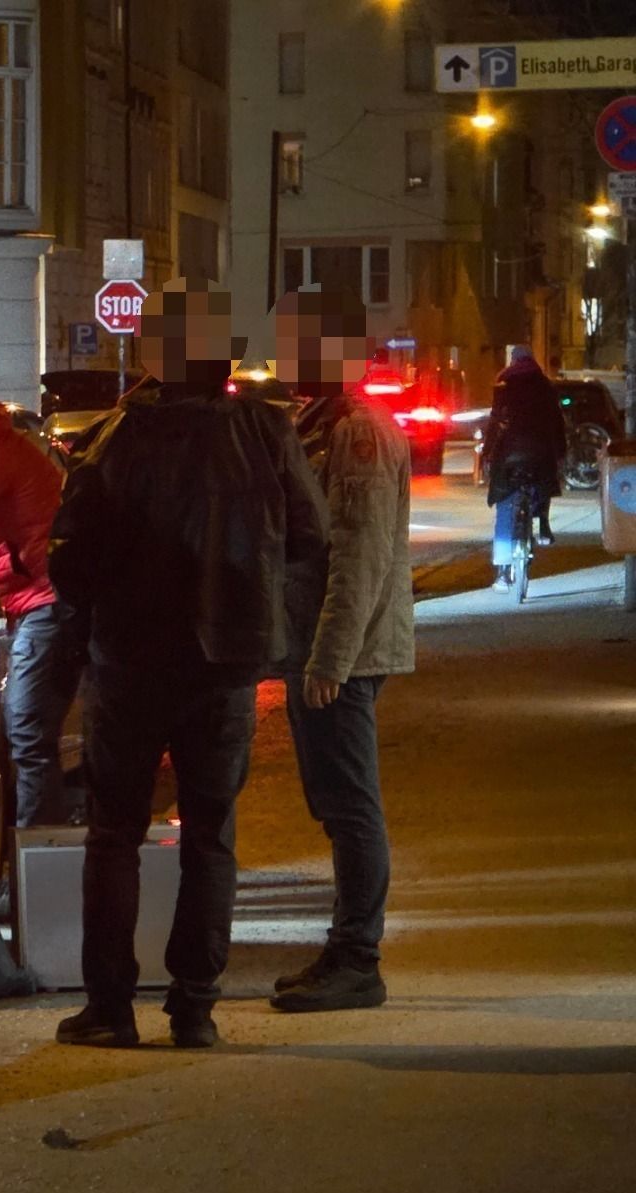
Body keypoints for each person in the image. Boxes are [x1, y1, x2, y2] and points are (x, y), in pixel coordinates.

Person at [48, 279, 328, 1049]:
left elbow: (69, 557)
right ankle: (195, 1007)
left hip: (130, 658)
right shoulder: (265, 432)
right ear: (225, 354)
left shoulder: (115, 437)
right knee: (210, 834)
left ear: (152, 353)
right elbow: (310, 533)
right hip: (225, 659)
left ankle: (111, 1008)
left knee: (116, 833)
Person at [269, 289, 415, 1013]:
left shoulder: (358, 433)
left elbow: (358, 556)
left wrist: (329, 659)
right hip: (319, 646)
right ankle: (345, 948)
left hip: (340, 655)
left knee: (352, 807)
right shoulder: (321, 422)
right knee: (336, 804)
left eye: (294, 341)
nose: (282, 354)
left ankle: (359, 959)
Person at [0, 398, 72, 828]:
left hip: (47, 600)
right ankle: (37, 842)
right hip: (42, 598)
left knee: (26, 726)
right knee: (29, 728)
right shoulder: (2, 446)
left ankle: (37, 843)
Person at [482, 345, 566, 587]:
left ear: (513, 361)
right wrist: (560, 453)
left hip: (508, 454)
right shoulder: (546, 386)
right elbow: (557, 423)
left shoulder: (503, 386)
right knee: (542, 482)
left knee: (505, 505)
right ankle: (543, 525)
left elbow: (495, 423)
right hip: (541, 452)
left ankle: (502, 572)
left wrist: (488, 453)